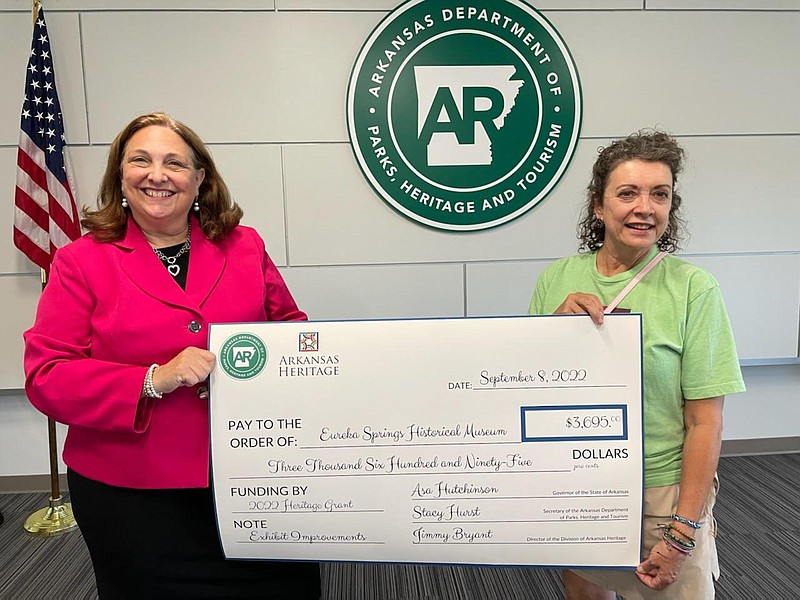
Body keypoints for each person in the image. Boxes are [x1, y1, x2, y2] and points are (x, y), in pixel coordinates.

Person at [24, 112, 320, 599]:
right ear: (120, 176)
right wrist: (153, 379)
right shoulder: (80, 260)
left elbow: (288, 327)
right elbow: (47, 376)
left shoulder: (244, 246)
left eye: (174, 163)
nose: (157, 174)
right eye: (140, 160)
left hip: (254, 475)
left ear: (200, 179)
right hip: (134, 499)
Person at [529, 130, 745, 599]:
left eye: (660, 195)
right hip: (579, 483)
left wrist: (683, 529)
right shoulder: (556, 278)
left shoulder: (694, 289)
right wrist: (554, 332)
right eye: (627, 193)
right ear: (598, 205)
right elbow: (530, 390)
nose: (644, 207)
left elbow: (705, 422)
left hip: (661, 495)